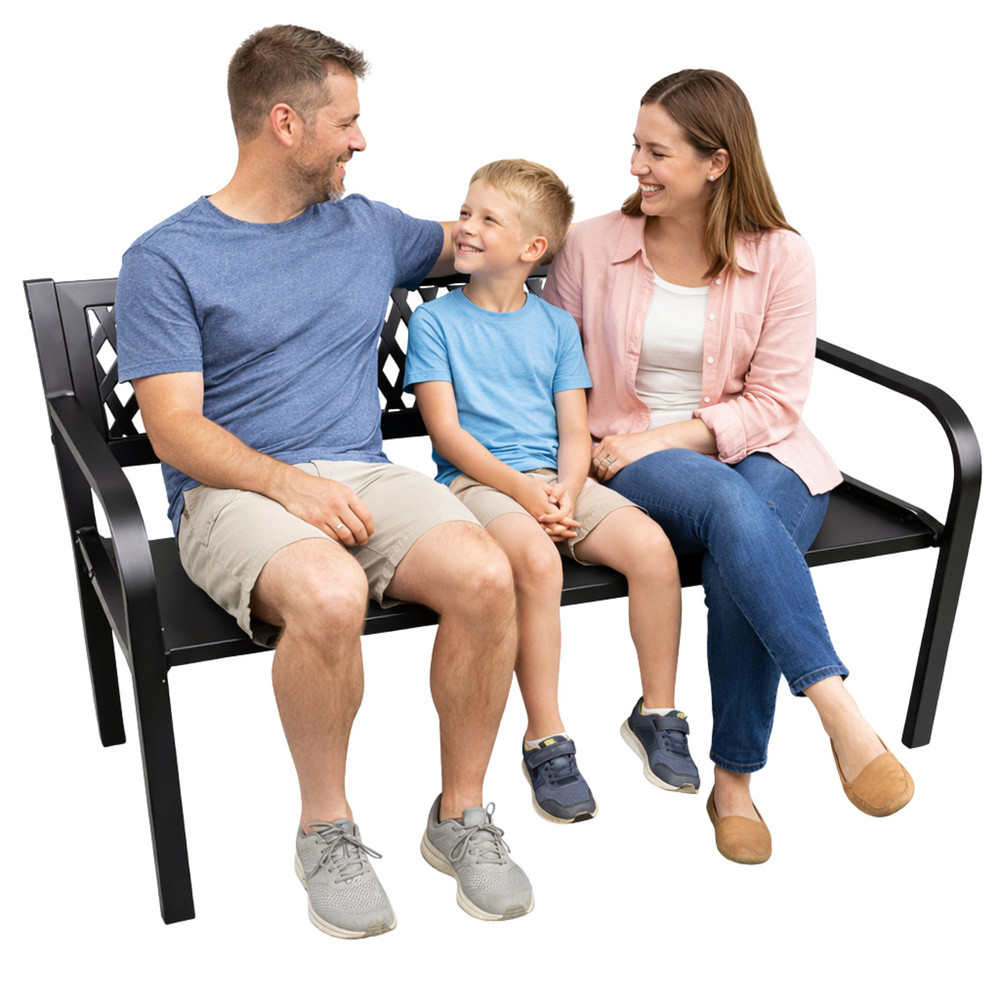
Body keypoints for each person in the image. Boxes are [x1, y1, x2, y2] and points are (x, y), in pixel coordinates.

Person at [114, 24, 534, 937]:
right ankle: (326, 832)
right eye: (346, 122)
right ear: (285, 124)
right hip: (231, 495)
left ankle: (461, 816)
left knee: (485, 573)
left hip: (362, 475)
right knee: (329, 591)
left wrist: (643, 228)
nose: (361, 140)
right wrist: (287, 488)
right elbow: (175, 429)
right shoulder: (166, 257)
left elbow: (489, 241)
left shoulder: (366, 227)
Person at [542, 70, 913, 864]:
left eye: (657, 152)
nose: (636, 166)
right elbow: (555, 375)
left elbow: (776, 401)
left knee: (744, 538)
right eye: (635, 147)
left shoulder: (782, 255)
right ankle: (835, 714)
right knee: (733, 511)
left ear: (717, 162)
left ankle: (734, 782)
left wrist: (672, 436)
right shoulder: (593, 246)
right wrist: (625, 450)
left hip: (766, 448)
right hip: (627, 451)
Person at [404, 159, 697, 827]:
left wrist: (564, 489)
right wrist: (525, 494)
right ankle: (546, 738)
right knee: (535, 563)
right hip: (477, 484)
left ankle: (658, 712)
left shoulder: (557, 326)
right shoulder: (436, 323)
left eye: (487, 219)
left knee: (653, 548)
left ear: (532, 247)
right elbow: (447, 434)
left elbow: (573, 430)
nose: (466, 227)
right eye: (466, 212)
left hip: (557, 481)